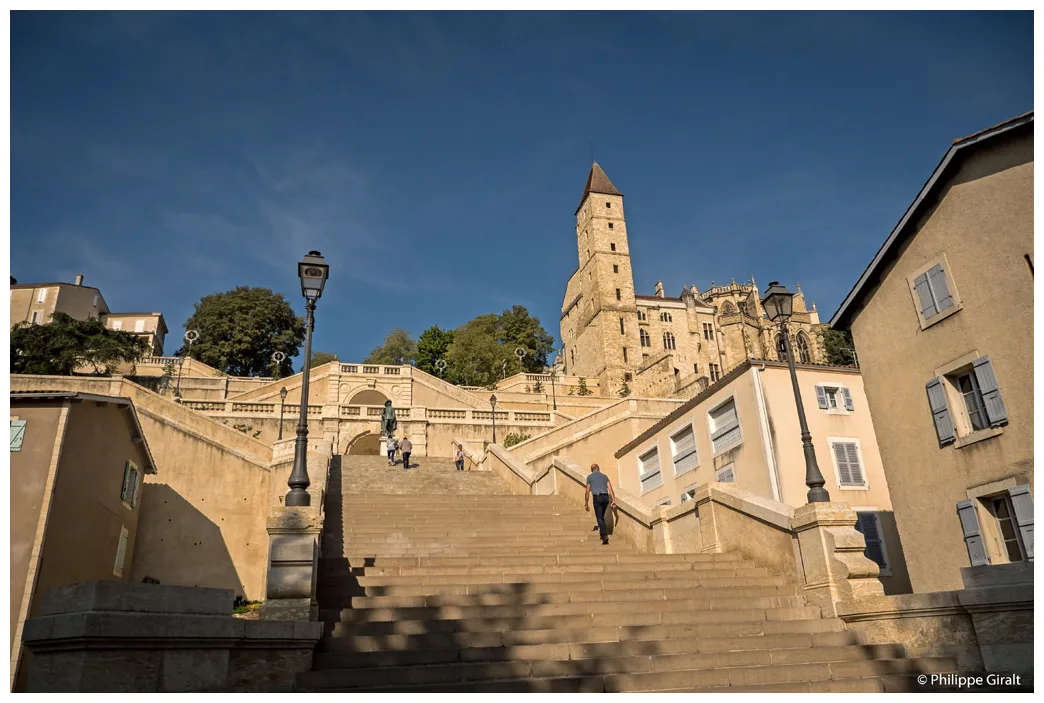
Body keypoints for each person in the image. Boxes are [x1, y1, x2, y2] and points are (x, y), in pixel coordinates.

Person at [584, 463, 617, 545]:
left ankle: (604, 535)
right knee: (601, 517)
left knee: (599, 518)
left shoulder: (589, 477)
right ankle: (603, 533)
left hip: (597, 498)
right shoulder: (604, 476)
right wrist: (613, 500)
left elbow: (587, 491)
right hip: (606, 498)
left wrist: (586, 503)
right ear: (598, 468)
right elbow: (610, 488)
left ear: (592, 470)